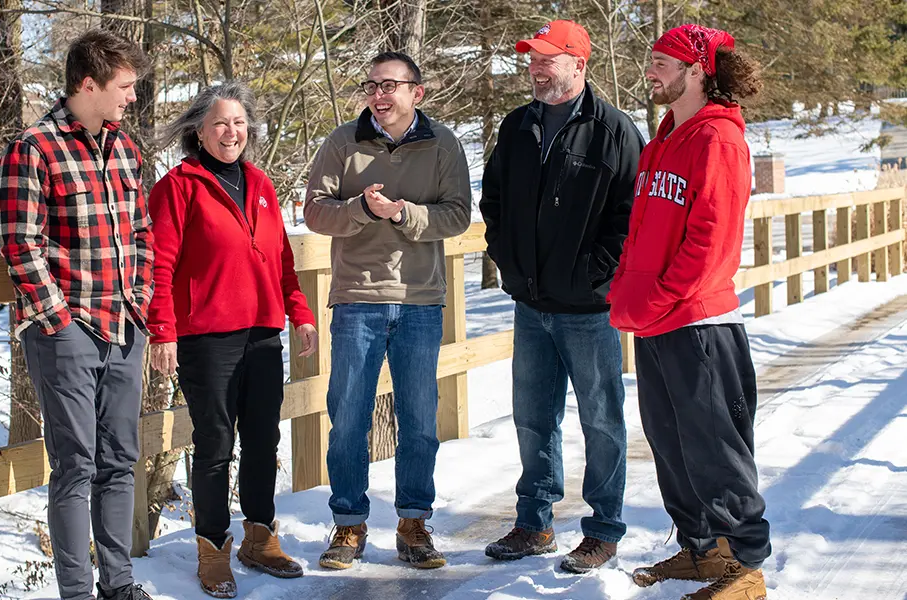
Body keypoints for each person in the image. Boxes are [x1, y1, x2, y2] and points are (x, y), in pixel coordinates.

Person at [608, 24, 770, 600]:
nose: (650, 71)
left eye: (661, 62)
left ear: (697, 69)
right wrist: (629, 290)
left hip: (698, 320)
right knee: (671, 444)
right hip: (656, 320)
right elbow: (642, 230)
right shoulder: (663, 138)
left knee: (714, 448)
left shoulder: (718, 140)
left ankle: (745, 567)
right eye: (650, 61)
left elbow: (713, 241)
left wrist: (655, 296)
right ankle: (703, 553)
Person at [479, 20, 644, 572]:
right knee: (532, 417)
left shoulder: (615, 130)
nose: (535, 66)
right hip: (530, 305)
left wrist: (594, 274)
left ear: (578, 62)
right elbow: (494, 199)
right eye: (532, 57)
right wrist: (506, 256)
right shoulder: (517, 125)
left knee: (601, 419)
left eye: (547, 58)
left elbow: (630, 218)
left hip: (589, 311)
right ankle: (534, 523)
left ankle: (602, 529)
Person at [0, 29, 154, 600]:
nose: (131, 98)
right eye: (124, 87)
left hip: (123, 326)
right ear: (88, 85)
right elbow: (19, 242)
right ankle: (77, 592)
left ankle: (120, 585)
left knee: (120, 462)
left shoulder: (126, 149)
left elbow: (141, 232)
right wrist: (57, 318)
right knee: (75, 467)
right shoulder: (34, 148)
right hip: (67, 332)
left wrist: (139, 300)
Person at [146, 82, 318, 599]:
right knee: (216, 444)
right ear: (198, 131)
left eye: (239, 123)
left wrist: (300, 314)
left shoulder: (261, 184)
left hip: (263, 333)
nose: (231, 132)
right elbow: (160, 264)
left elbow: (282, 262)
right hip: (207, 337)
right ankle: (212, 550)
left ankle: (260, 539)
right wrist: (162, 330)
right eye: (220, 123)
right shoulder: (179, 186)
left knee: (264, 440)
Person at [304, 51, 472, 570]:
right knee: (348, 418)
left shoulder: (443, 143)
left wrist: (402, 213)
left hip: (421, 301)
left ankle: (414, 523)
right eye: (372, 85)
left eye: (390, 85)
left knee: (419, 420)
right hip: (357, 299)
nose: (379, 94)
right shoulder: (341, 142)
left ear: (416, 93)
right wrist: (358, 209)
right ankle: (349, 525)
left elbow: (459, 214)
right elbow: (313, 210)